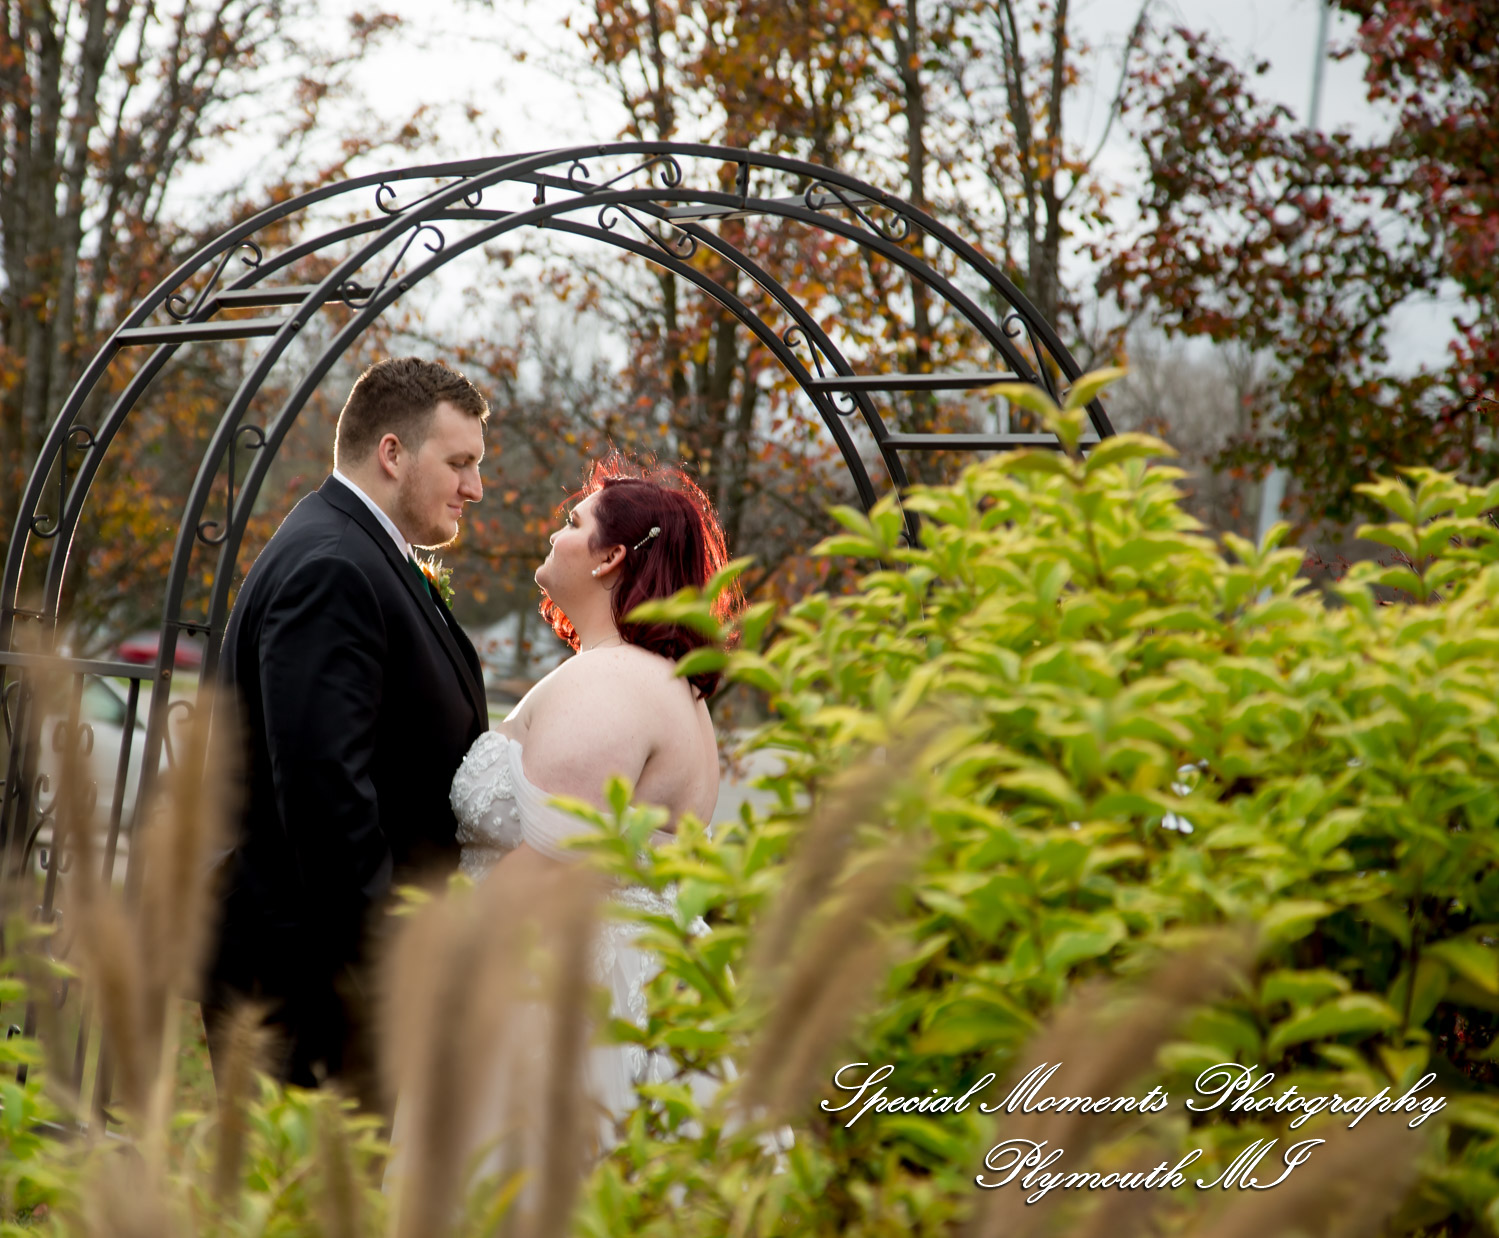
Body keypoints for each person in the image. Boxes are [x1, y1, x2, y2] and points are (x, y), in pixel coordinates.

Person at [204, 356, 490, 1107]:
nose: (475, 487)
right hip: (313, 989)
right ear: (392, 453)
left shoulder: (360, 551)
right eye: (459, 463)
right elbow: (327, 798)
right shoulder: (334, 566)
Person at [440, 451, 740, 1162]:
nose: (553, 533)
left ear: (611, 558)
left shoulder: (611, 682)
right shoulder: (659, 683)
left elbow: (547, 864)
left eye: (572, 523)